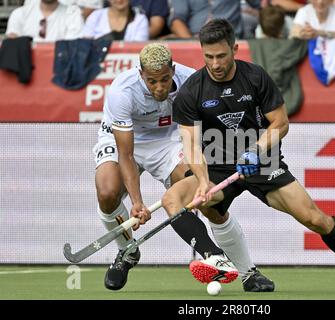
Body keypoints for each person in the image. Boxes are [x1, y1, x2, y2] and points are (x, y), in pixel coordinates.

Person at [161, 18, 335, 295]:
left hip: (262, 162)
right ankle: (215, 257)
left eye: (221, 55)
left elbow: (280, 123)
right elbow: (192, 143)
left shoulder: (255, 77)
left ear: (235, 48)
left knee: (314, 218)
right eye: (209, 57)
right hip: (218, 166)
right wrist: (204, 181)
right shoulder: (191, 90)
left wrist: (255, 150)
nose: (216, 64)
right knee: (173, 198)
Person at [94, 43, 269, 292]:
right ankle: (127, 251)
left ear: (173, 70)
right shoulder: (122, 92)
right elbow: (127, 154)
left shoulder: (190, 81)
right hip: (123, 141)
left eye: (165, 79)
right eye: (152, 81)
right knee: (108, 193)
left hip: (169, 140)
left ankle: (247, 272)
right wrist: (137, 202)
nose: (160, 87)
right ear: (141, 73)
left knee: (204, 197)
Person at [6, 0, 84, 42]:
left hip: (60, 67)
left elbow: (72, 46)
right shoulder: (19, 13)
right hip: (25, 67)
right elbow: (12, 41)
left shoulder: (73, 14)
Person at [82, 0, 148, 41]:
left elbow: (138, 49)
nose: (119, 0)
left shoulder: (140, 19)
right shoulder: (95, 16)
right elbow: (85, 44)